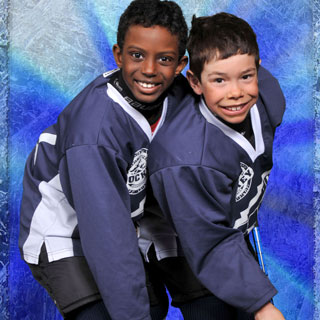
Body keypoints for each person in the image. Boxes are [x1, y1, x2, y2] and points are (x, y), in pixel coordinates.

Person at [18, 1, 189, 319]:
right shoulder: (94, 133)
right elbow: (107, 239)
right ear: (118, 55)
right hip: (66, 231)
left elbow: (237, 67)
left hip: (125, 218)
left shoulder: (178, 94)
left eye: (164, 59)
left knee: (152, 305)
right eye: (137, 55)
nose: (149, 70)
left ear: (180, 65)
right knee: (113, 312)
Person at [148, 13, 286, 320]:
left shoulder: (269, 98)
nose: (236, 92)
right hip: (181, 235)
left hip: (225, 229)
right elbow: (208, 241)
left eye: (246, 76)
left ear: (258, 68)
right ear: (195, 82)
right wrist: (264, 307)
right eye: (219, 80)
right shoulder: (185, 158)